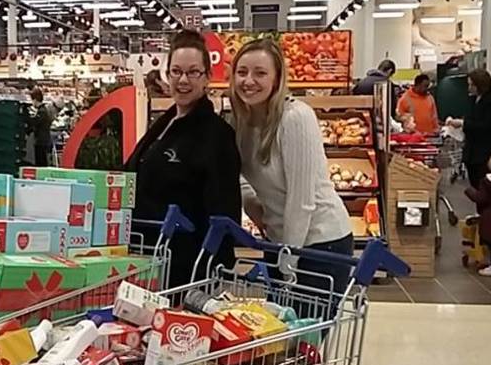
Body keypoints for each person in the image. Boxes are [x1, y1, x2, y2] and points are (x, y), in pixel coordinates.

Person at [230, 38, 353, 315]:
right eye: (242, 72)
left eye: (260, 73)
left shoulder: (296, 118)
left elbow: (302, 200)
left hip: (320, 243)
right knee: (279, 340)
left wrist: (288, 263)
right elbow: (238, 176)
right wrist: (258, 210)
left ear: (277, 78)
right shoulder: (242, 122)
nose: (249, 81)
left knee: (305, 337)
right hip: (280, 242)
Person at [125, 30, 241, 286]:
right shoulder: (165, 122)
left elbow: (225, 212)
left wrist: (214, 274)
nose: (183, 80)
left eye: (193, 72)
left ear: (207, 77)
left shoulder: (217, 135)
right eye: (176, 71)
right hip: (149, 257)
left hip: (185, 267)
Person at [446, 68, 491, 188]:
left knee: (483, 190)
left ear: (480, 85)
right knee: (476, 187)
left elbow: (486, 126)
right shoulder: (474, 100)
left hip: (484, 153)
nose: (469, 88)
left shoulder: (488, 101)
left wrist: (463, 123)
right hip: (472, 153)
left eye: (471, 85)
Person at [29, 89, 54, 166]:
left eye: (32, 100)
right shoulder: (43, 110)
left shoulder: (42, 111)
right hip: (44, 140)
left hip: (41, 141)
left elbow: (35, 122)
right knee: (42, 160)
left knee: (41, 161)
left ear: (35, 100)